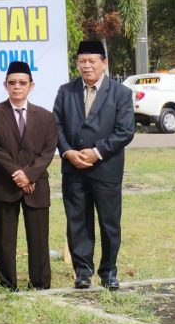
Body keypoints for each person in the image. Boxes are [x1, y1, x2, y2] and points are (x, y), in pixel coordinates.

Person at [53, 40, 135, 290]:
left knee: (109, 222)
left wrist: (96, 152)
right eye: (82, 61)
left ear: (104, 63)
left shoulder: (120, 93)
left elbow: (125, 131)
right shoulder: (66, 91)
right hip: (73, 169)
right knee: (77, 220)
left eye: (92, 61)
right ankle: (83, 271)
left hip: (105, 168)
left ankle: (109, 270)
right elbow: (55, 126)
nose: (86, 66)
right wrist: (67, 152)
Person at [0, 61, 57, 291]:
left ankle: (40, 283)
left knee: (38, 239)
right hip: (5, 184)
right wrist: (18, 174)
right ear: (5, 85)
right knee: (5, 240)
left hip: (36, 186)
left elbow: (48, 150)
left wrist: (30, 175)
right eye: (12, 83)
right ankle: (8, 284)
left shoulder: (45, 116)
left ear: (31, 86)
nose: (17, 87)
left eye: (22, 83)